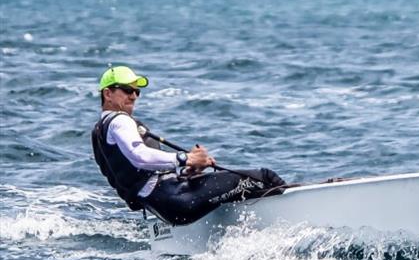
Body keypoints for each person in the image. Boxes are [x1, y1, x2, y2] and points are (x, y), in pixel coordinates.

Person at [91, 65, 286, 225]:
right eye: (127, 90)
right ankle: (288, 218)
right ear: (108, 93)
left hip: (164, 208)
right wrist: (186, 158)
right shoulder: (120, 121)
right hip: (175, 200)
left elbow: (138, 176)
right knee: (264, 177)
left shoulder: (100, 130)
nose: (133, 96)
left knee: (236, 188)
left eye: (137, 91)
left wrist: (188, 170)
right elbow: (139, 157)